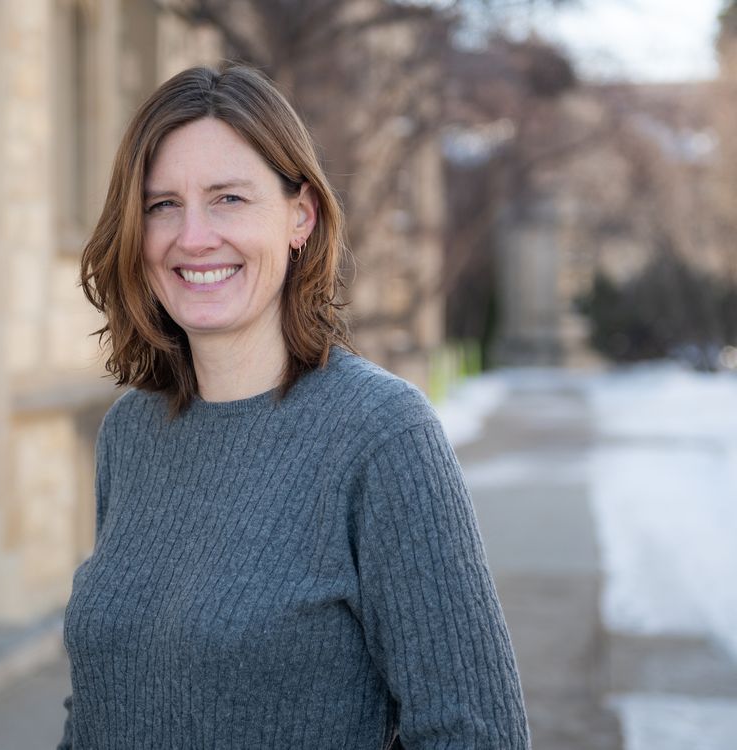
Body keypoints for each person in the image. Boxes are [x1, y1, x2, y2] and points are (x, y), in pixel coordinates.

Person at [58, 63, 529, 750]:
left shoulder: (381, 434)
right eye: (162, 205)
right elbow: (99, 709)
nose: (193, 237)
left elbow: (475, 733)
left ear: (300, 216)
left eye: (228, 199)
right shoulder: (130, 432)